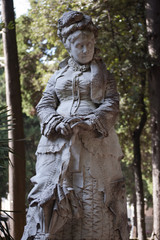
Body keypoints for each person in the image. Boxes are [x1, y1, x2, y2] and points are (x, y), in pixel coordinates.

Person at [22, 11, 129, 240]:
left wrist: (90, 122)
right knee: (51, 192)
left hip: (95, 142)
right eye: (80, 45)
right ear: (69, 48)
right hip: (57, 143)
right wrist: (54, 121)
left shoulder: (104, 74)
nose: (85, 49)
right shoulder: (57, 75)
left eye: (89, 44)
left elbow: (112, 103)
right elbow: (45, 104)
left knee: (93, 193)